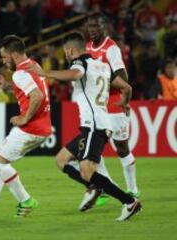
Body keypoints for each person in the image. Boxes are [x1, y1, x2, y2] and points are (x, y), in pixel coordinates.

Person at [27, 32, 142, 221]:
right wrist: (125, 102)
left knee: (87, 171)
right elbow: (127, 88)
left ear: (72, 50)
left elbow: (76, 74)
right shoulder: (103, 66)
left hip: (94, 125)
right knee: (61, 159)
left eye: (65, 51)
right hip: (100, 123)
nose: (65, 54)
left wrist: (44, 73)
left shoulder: (80, 63)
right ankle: (96, 186)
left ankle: (128, 202)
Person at [0, 35, 52, 217]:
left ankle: (26, 200)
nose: (3, 62)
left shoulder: (20, 73)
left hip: (31, 128)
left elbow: (37, 96)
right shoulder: (33, 66)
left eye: (4, 57)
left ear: (14, 55)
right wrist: (7, 86)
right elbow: (26, 93)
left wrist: (24, 117)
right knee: (2, 162)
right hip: (43, 127)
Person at [82, 13, 140, 208]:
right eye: (90, 26)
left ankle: (132, 189)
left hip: (114, 104)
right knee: (93, 150)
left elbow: (123, 77)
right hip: (98, 107)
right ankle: (105, 187)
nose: (92, 30)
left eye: (96, 26)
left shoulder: (111, 48)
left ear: (104, 27)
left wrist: (122, 97)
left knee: (122, 148)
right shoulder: (88, 47)